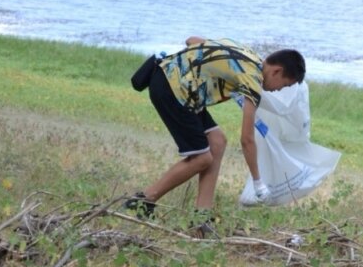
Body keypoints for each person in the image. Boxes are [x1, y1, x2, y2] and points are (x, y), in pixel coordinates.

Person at [125, 37, 306, 231]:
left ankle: (202, 218)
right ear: (276, 71)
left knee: (217, 142)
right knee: (201, 158)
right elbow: (247, 139)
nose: (279, 90)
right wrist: (258, 182)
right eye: (284, 85)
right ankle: (143, 201)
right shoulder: (253, 82)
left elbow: (191, 40)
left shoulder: (248, 54)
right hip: (172, 91)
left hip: (180, 87)